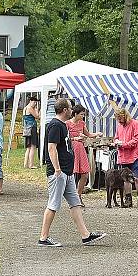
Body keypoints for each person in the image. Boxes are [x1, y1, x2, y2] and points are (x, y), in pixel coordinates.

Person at [39, 98, 106, 247]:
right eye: (70, 107)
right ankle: (43, 238)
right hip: (59, 172)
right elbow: (51, 148)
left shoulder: (62, 125)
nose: (72, 109)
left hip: (67, 173)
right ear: (65, 110)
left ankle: (85, 235)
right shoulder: (55, 125)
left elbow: (64, 144)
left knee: (75, 203)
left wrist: (77, 138)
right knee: (53, 204)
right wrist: (57, 169)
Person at [66, 104, 101, 204]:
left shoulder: (82, 123)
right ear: (75, 114)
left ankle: (78, 195)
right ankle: (72, 196)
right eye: (81, 114)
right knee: (72, 173)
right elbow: (65, 138)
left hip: (81, 149)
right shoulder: (67, 123)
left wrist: (97, 134)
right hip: (72, 149)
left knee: (85, 173)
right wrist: (75, 138)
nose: (83, 116)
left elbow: (88, 134)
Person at [114, 107, 138, 208]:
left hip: (134, 156)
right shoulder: (119, 126)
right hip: (123, 156)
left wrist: (124, 144)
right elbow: (116, 137)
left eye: (120, 118)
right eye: (117, 118)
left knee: (136, 177)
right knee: (126, 179)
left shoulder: (135, 124)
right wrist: (116, 142)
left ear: (125, 116)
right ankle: (128, 198)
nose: (119, 120)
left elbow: (136, 139)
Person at [23, 96, 40, 169]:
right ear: (30, 101)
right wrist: (36, 110)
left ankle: (25, 164)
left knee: (29, 147)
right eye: (34, 102)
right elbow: (37, 116)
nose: (35, 104)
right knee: (33, 146)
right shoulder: (30, 108)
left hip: (27, 129)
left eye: (36, 102)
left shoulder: (25, 108)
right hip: (32, 128)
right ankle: (31, 164)